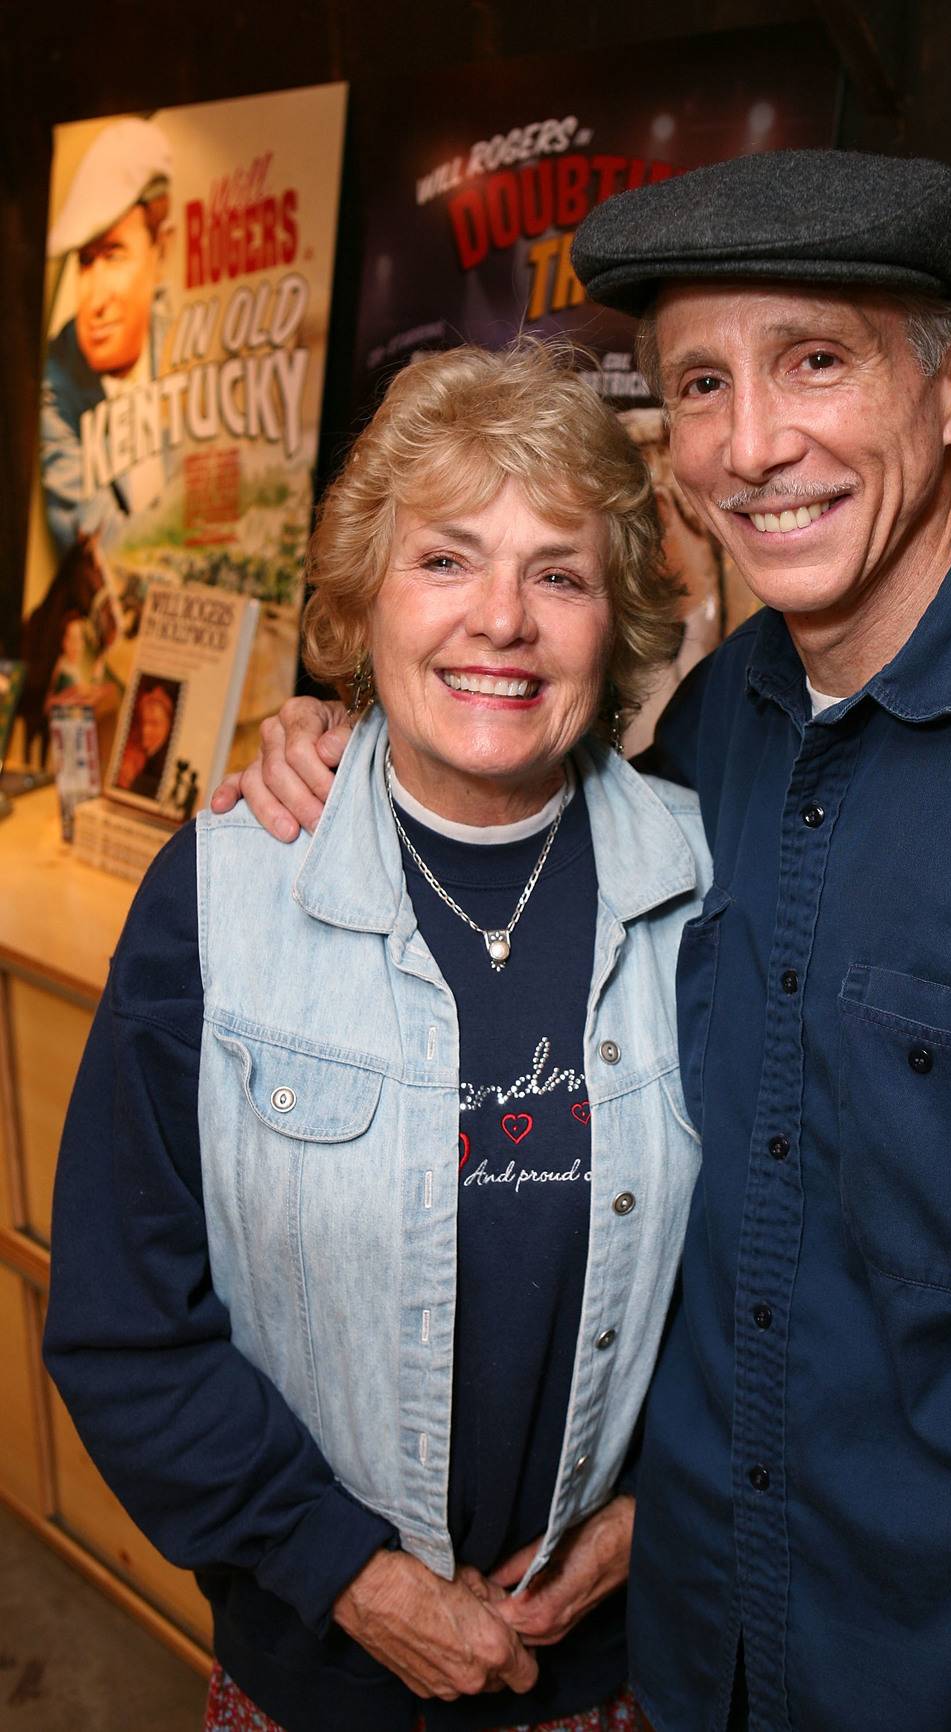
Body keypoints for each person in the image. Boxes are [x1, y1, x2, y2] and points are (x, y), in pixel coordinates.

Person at [223, 149, 951, 1732]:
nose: (756, 445)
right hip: (697, 1657)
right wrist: (325, 746)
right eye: (699, 382)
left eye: (815, 360)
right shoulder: (705, 746)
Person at [44, 341, 710, 1732]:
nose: (502, 621)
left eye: (560, 573)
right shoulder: (223, 895)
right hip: (314, 1683)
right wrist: (350, 1579)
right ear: (361, 603)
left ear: (620, 619)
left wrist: (658, 1513)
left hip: (614, 1677)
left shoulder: (708, 896)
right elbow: (120, 1327)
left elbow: (789, 1287)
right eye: (447, 560)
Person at [40, 116, 173, 557]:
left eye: (114, 256)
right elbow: (106, 549)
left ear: (162, 253)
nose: (94, 300)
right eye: (85, 262)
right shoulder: (55, 386)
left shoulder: (190, 340)